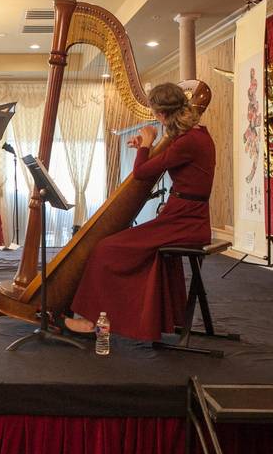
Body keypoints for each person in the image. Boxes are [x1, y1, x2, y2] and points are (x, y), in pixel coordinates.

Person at [67, 83, 215, 340]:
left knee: (106, 248)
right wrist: (144, 147)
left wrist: (146, 144)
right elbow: (153, 164)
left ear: (160, 115)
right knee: (122, 248)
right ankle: (138, 318)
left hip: (185, 221)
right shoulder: (195, 135)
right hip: (184, 216)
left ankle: (93, 320)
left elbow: (142, 173)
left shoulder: (186, 142)